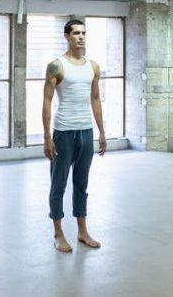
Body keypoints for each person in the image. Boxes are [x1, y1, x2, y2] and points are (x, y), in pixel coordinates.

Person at [42, 19, 107, 253]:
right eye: (76, 33)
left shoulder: (93, 67)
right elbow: (47, 101)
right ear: (67, 36)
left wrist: (101, 131)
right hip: (63, 132)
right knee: (58, 184)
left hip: (85, 131)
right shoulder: (56, 66)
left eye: (83, 33)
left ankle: (82, 232)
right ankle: (58, 233)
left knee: (82, 184)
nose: (81, 37)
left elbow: (96, 99)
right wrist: (47, 137)